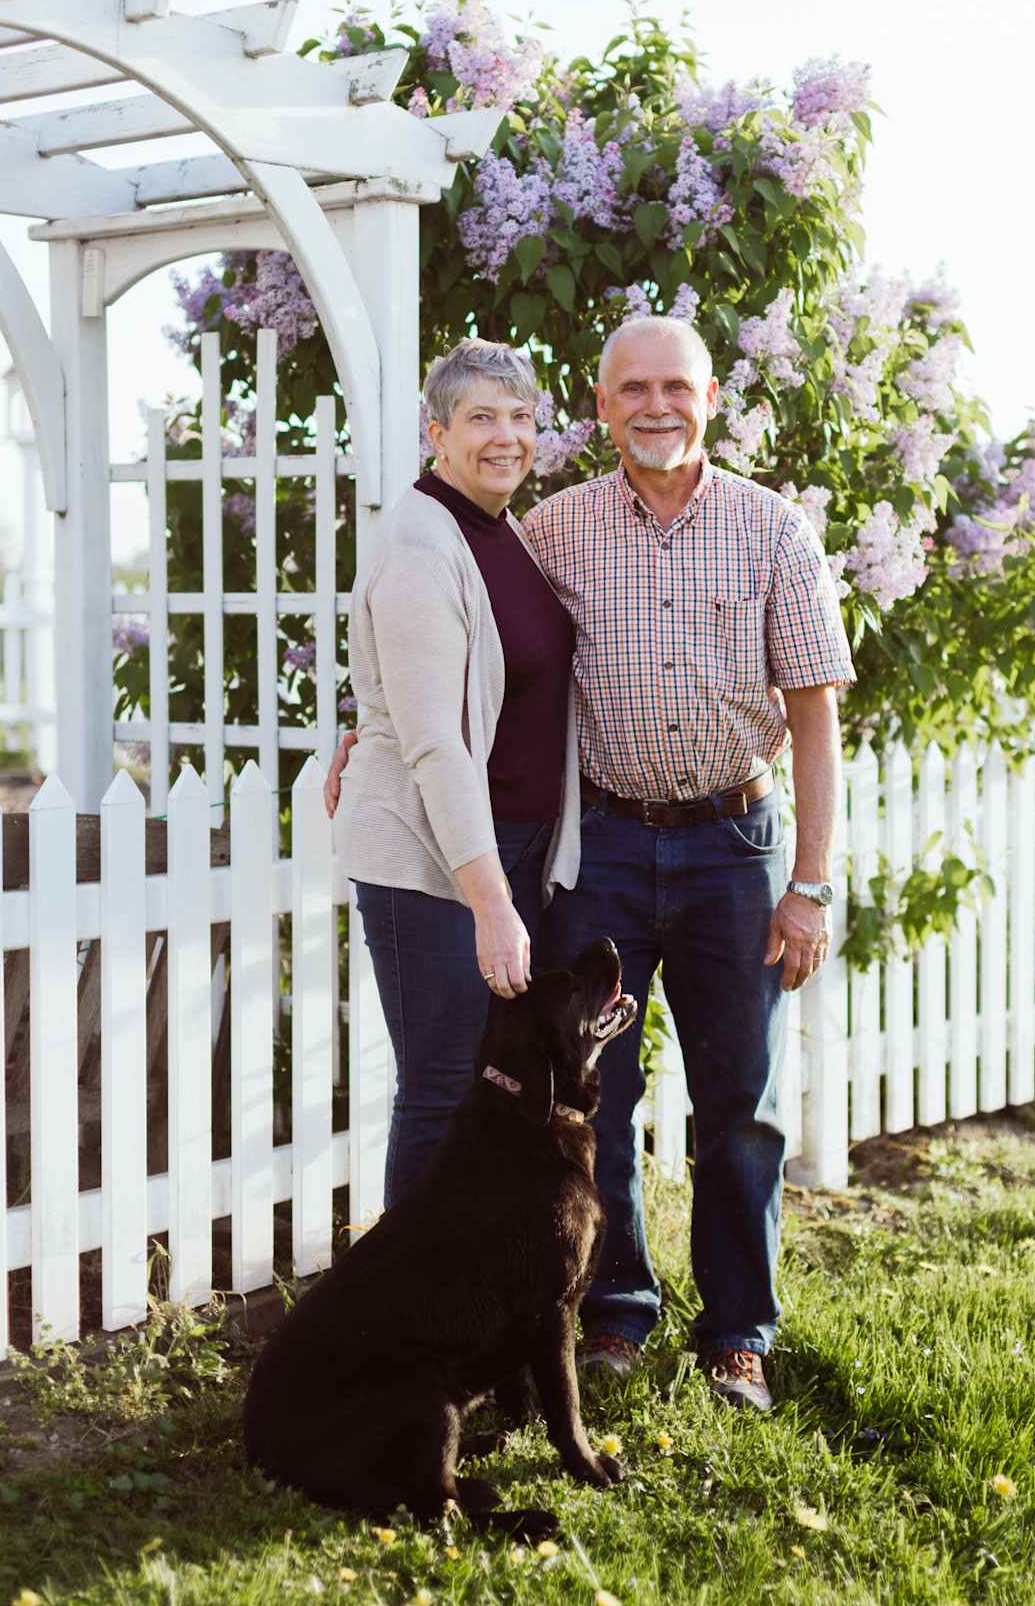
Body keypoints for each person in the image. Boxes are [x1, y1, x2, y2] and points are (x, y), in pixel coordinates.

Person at [328, 314, 852, 1411]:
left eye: (676, 387)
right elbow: (435, 629)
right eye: (632, 390)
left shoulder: (771, 531)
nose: (655, 407)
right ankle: (612, 1315)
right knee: (588, 1102)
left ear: (709, 399)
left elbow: (813, 717)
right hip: (599, 845)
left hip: (731, 847)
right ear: (601, 407)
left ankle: (736, 1334)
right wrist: (362, 722)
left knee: (737, 1104)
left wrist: (807, 883)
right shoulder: (553, 530)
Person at [333, 337, 580, 1206]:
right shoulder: (420, 543)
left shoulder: (499, 526)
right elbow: (435, 742)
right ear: (436, 432)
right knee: (442, 1093)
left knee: (492, 1092)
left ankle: (472, 1304)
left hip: (500, 847)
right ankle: (399, 1326)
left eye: (520, 417)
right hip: (431, 863)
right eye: (480, 417)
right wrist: (492, 902)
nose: (505, 436)